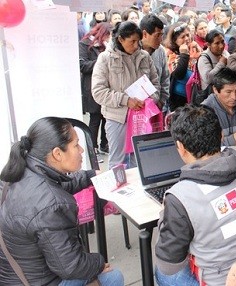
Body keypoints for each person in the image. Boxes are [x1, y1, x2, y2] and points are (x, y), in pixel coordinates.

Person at [154, 105, 236, 286]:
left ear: (180, 147)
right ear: (221, 135)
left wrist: (164, 217)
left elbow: (169, 265)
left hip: (227, 281)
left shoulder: (180, 198)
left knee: (162, 273)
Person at [0, 117, 124, 285]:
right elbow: (71, 267)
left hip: (16, 273)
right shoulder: (51, 204)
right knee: (113, 277)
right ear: (57, 153)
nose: (81, 150)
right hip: (37, 281)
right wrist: (99, 263)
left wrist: (90, 175)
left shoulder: (20, 171)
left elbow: (57, 187)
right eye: (75, 145)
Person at [92, 21, 160, 168]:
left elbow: (155, 84)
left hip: (142, 117)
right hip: (118, 118)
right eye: (132, 41)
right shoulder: (105, 59)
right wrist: (126, 100)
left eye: (138, 41)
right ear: (120, 39)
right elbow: (98, 91)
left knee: (141, 160)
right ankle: (118, 189)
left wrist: (150, 100)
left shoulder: (144, 57)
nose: (136, 46)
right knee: (118, 162)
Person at [79, 22, 112, 156]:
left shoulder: (109, 47)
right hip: (92, 86)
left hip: (108, 87)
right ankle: (93, 148)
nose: (109, 38)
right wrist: (101, 61)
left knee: (106, 118)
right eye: (107, 35)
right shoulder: (85, 44)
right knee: (95, 119)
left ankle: (104, 144)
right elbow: (82, 65)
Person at [202, 68, 236, 146]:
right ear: (215, 90)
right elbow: (203, 147)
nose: (234, 97)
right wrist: (232, 141)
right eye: (228, 92)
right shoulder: (204, 111)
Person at [165, 22, 202, 110]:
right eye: (182, 37)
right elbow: (179, 75)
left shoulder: (195, 49)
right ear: (175, 41)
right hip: (179, 102)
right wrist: (184, 55)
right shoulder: (171, 55)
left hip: (196, 97)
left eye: (187, 35)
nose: (186, 39)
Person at [140, 14, 170, 114]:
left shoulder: (160, 51)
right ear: (144, 34)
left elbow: (165, 78)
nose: (160, 40)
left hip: (156, 106)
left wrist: (161, 101)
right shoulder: (133, 51)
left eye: (162, 35)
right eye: (157, 35)